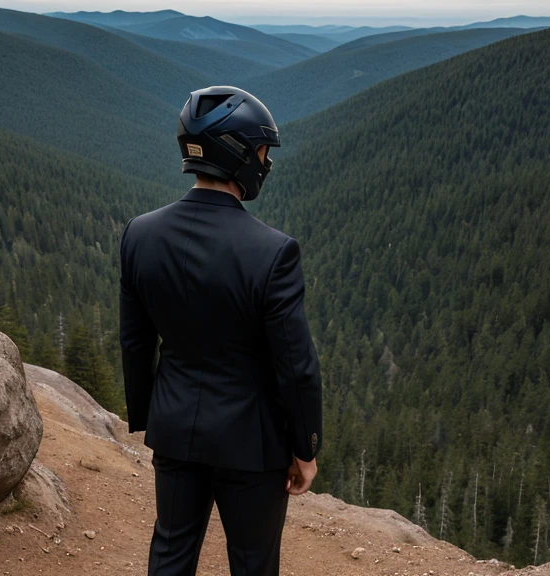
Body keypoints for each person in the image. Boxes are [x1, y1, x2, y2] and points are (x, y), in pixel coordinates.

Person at [119, 86, 323, 576]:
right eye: (260, 150)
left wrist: (151, 418)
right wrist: (305, 448)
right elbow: (296, 367)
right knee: (253, 564)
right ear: (235, 154)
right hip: (251, 444)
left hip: (174, 433)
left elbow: (135, 341)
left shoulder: (139, 234)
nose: (265, 161)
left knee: (169, 555)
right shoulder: (273, 252)